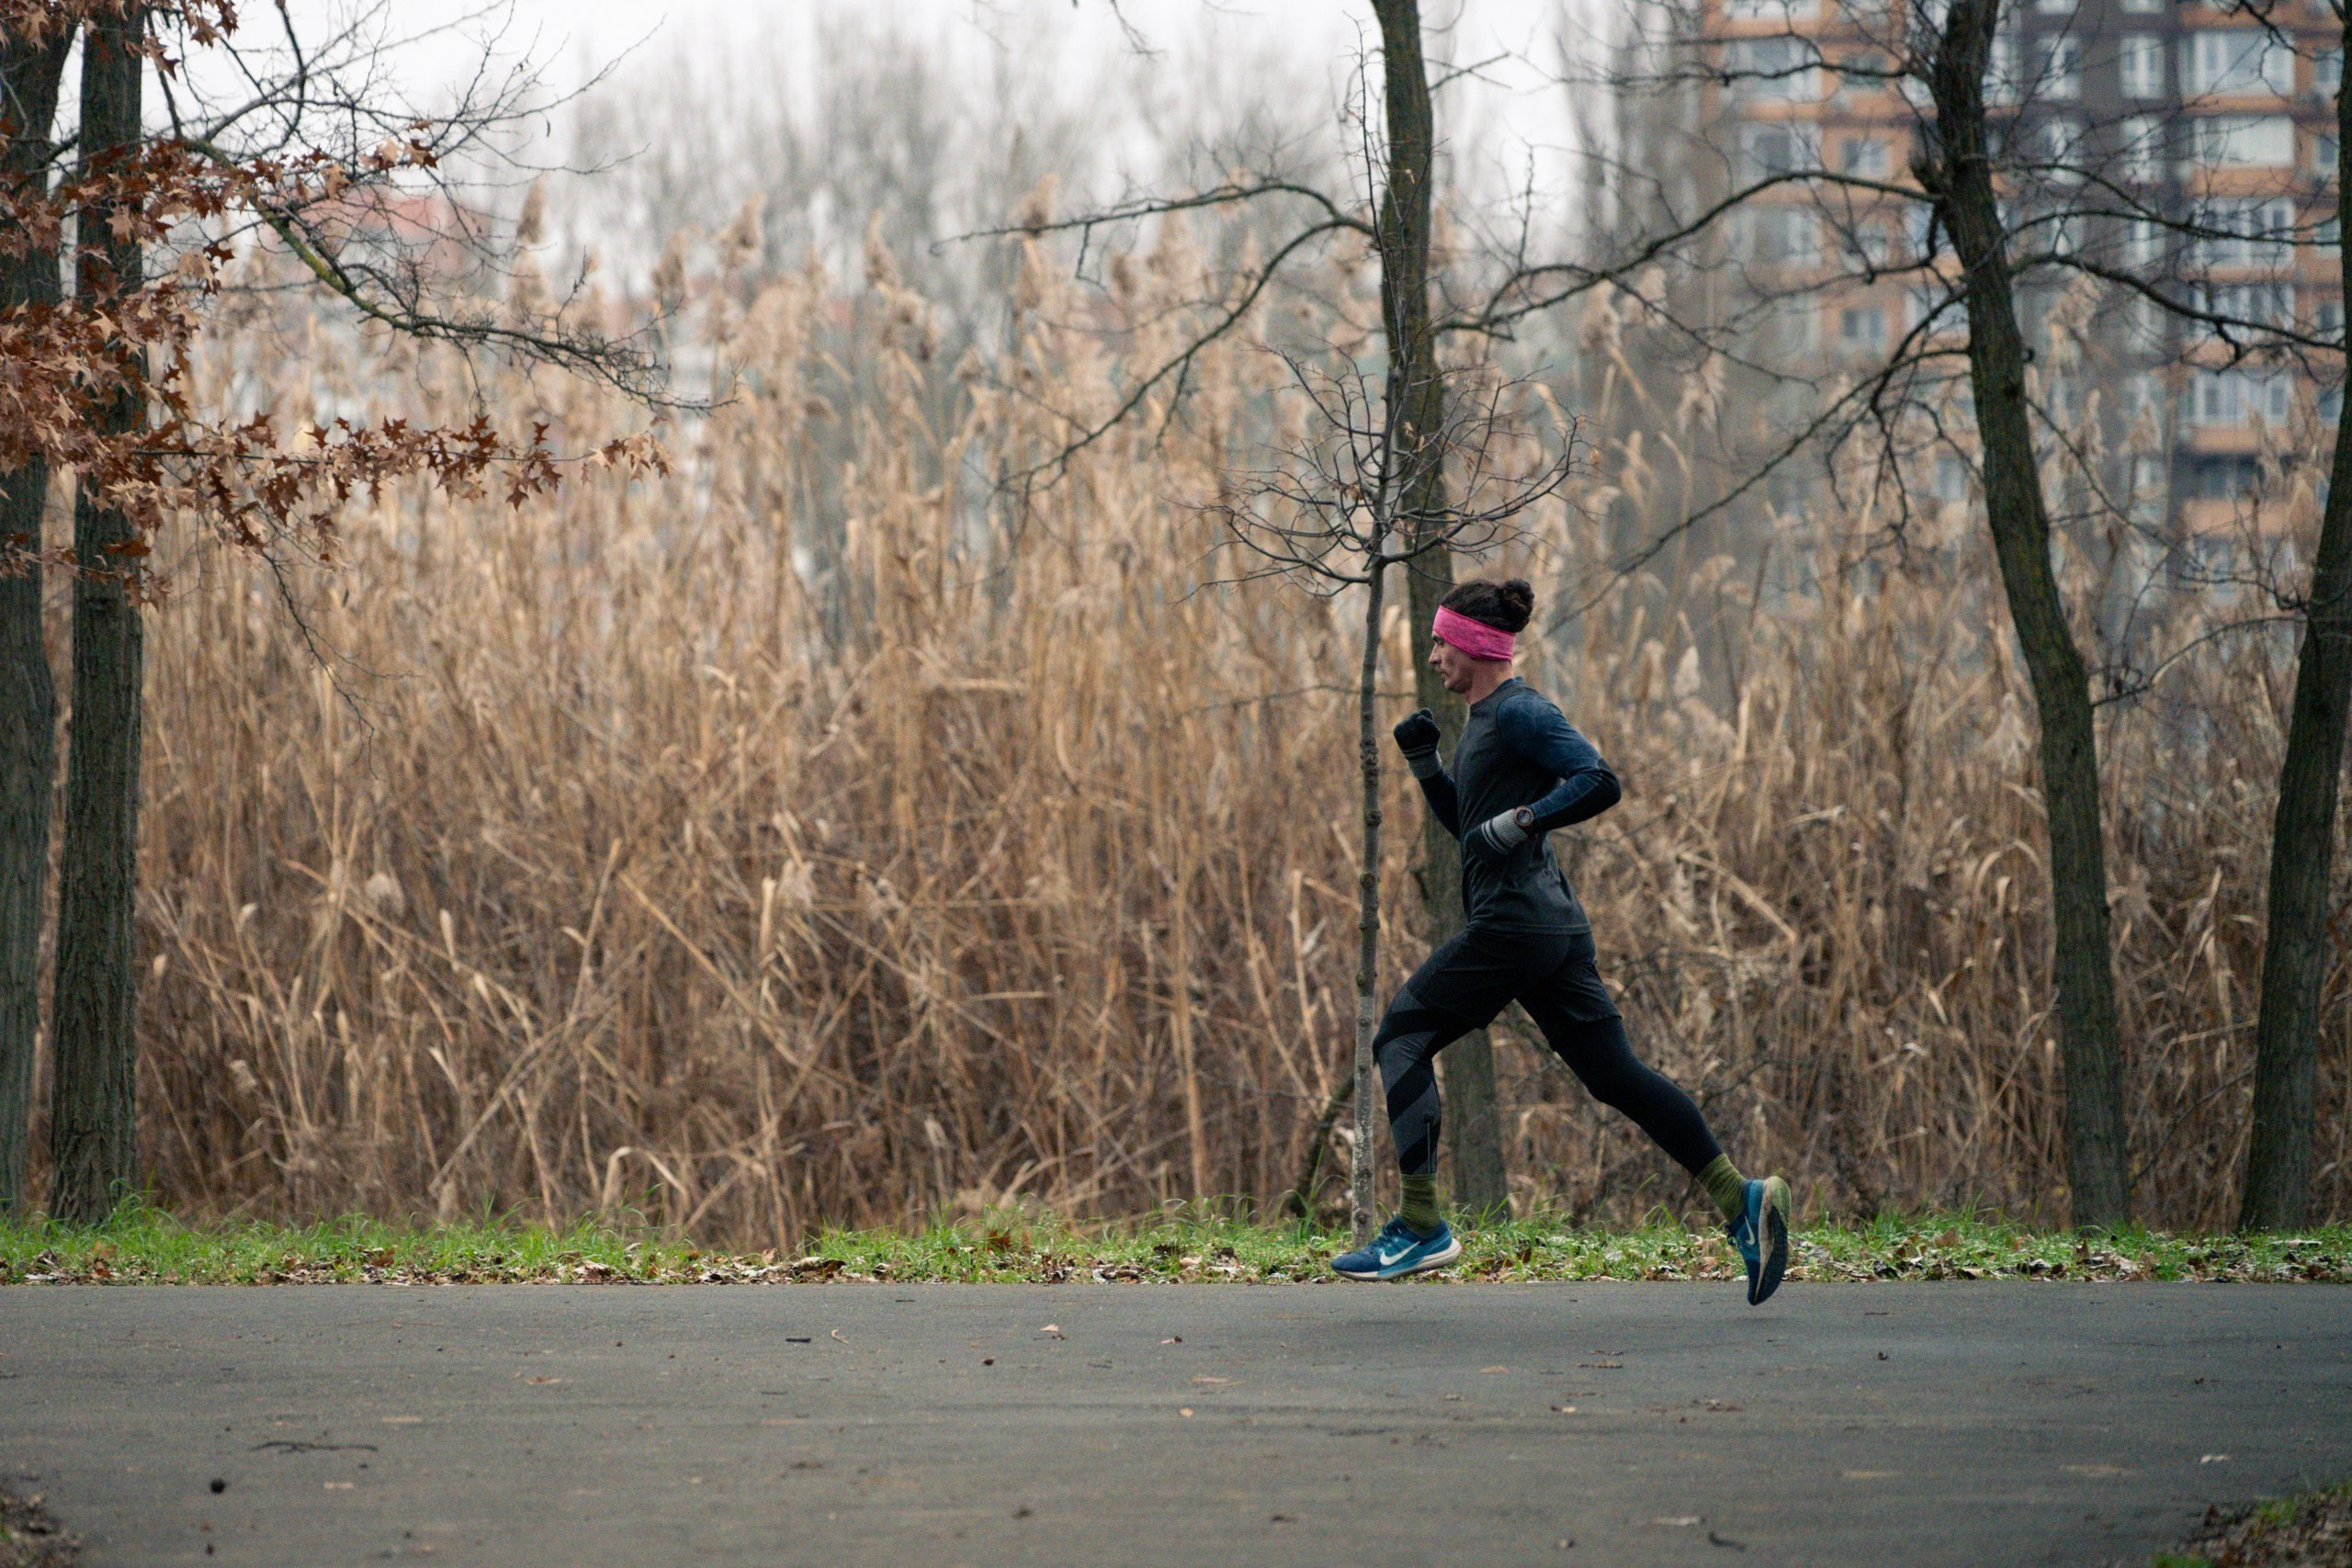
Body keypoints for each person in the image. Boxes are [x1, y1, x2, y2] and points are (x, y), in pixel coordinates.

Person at [1330, 578, 1794, 1304]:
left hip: (1514, 924)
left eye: (1439, 642)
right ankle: (1742, 1197)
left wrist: (1527, 818)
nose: (1430, 657)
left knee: (1400, 1036)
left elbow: (1599, 779)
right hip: (1547, 925)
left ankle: (1421, 1224)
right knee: (1614, 1075)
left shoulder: (1521, 712)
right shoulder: (1484, 720)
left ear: (1475, 646)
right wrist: (1429, 770)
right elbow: (1475, 836)